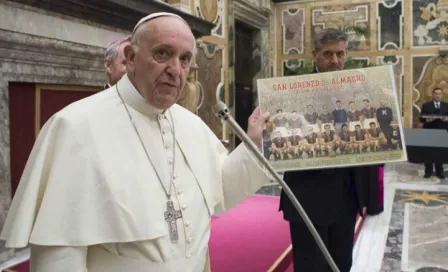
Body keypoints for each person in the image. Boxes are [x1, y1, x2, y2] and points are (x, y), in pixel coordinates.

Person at [1, 12, 270, 272]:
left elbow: (220, 190)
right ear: (131, 57)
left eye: (185, 58)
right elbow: (59, 253)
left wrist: (252, 148)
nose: (175, 70)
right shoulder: (75, 126)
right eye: (162, 53)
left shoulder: (191, 125)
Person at [279, 28, 375, 272]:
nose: (335, 61)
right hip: (308, 197)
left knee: (342, 264)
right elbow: (283, 139)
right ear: (315, 55)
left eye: (340, 54)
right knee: (311, 267)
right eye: (328, 54)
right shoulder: (292, 91)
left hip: (347, 195)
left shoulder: (360, 89)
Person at [419, 87, 448, 179]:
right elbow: (421, 118)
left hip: (442, 132)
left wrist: (447, 119)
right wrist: (427, 119)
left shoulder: (446, 105)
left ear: (442, 95)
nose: (437, 95)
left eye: (439, 93)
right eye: (436, 93)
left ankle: (440, 172)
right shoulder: (426, 105)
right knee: (428, 152)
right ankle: (428, 171)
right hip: (429, 131)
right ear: (433, 94)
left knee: (440, 152)